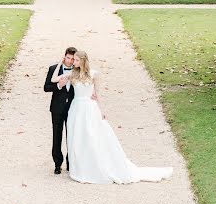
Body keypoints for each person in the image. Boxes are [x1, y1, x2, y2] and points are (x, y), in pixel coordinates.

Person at [51, 50, 173, 184]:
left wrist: (101, 110)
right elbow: (53, 79)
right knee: (77, 137)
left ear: (83, 61)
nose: (73, 62)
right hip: (76, 109)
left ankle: (94, 165)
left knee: (91, 135)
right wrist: (59, 63)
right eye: (73, 60)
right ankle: (79, 166)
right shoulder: (72, 74)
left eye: (76, 60)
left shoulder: (94, 74)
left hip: (89, 108)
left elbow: (97, 94)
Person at [44, 46, 77, 174]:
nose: (69, 61)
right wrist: (58, 86)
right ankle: (57, 163)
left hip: (73, 108)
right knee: (57, 136)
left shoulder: (78, 70)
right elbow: (46, 87)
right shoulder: (54, 69)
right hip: (57, 108)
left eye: (72, 59)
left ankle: (71, 163)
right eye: (68, 58)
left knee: (72, 136)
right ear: (64, 56)